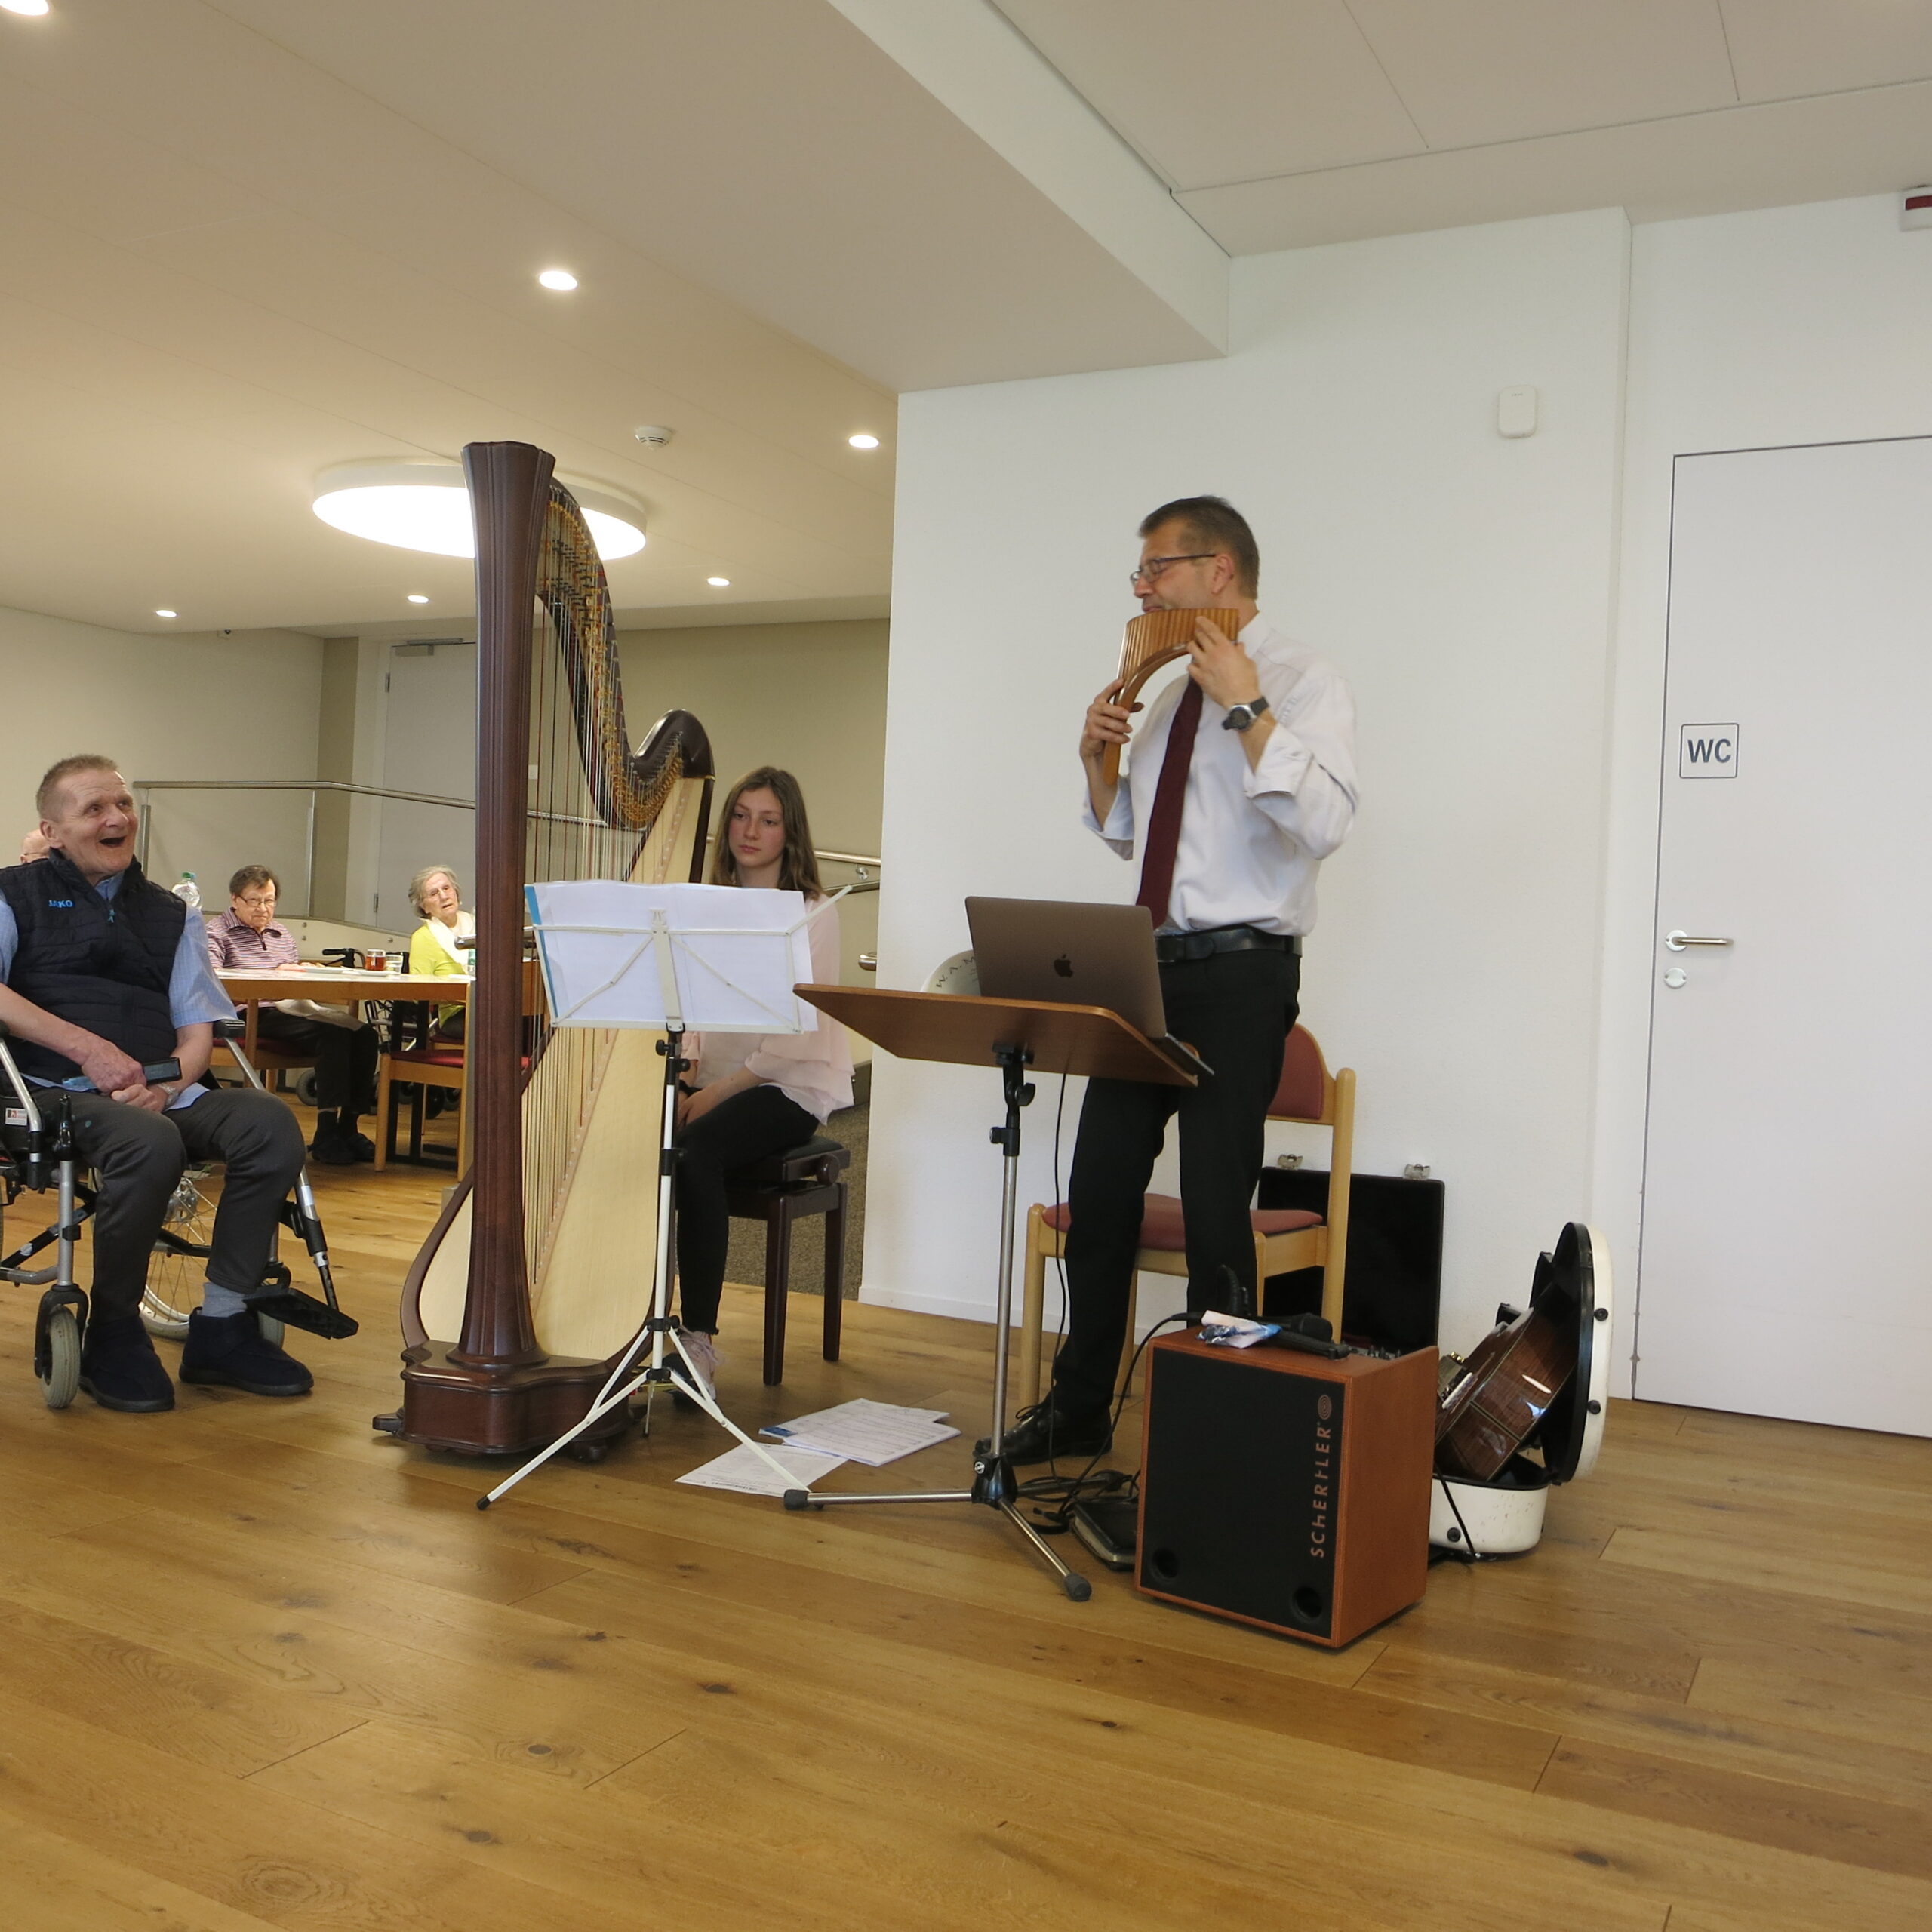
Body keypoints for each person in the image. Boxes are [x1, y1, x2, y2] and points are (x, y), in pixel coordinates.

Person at [1003, 497, 1358, 1464]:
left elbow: (1323, 823)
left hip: (1242, 977)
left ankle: (1215, 1428)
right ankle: (1080, 1405)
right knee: (1100, 1185)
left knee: (1213, 1206)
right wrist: (1099, 764)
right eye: (1140, 574)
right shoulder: (1164, 699)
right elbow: (1136, 836)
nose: (1142, 589)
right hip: (1146, 971)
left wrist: (1247, 705)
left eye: (1156, 568)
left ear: (1219, 571)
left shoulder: (1303, 679)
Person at [0, 756, 313, 1412]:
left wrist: (167, 1089)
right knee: (148, 1141)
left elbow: (197, 1030)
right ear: (51, 832)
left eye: (122, 804)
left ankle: (223, 1323)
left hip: (158, 1090)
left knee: (269, 1122)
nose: (116, 818)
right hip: (46, 1089)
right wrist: (87, 1048)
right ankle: (114, 1332)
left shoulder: (172, 913)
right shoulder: (12, 894)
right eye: (93, 809)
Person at [672, 767, 852, 1392]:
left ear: (789, 832)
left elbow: (796, 1034)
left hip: (789, 1085)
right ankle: (627, 1322)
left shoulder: (813, 914)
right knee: (636, 1143)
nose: (750, 831)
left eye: (768, 820)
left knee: (696, 1150)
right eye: (741, 816)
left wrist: (713, 1095)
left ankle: (698, 1339)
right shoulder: (708, 905)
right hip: (716, 1077)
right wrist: (687, 1069)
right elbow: (692, 1003)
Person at [205, 865, 380, 1164]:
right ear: (235, 899)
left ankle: (348, 1126)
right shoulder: (217, 932)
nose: (263, 909)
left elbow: (291, 981)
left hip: (290, 1007)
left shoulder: (281, 933)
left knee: (365, 1035)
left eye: (269, 901)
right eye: (254, 901)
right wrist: (275, 974)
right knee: (333, 1036)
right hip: (248, 1013)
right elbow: (214, 980)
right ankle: (326, 1132)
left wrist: (306, 972)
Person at [406, 864, 473, 1040]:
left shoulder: (477, 924)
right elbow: (419, 993)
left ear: (456, 892)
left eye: (446, 888)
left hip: (491, 1007)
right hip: (457, 1014)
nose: (444, 896)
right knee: (502, 1026)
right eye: (434, 893)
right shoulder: (423, 937)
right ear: (424, 907)